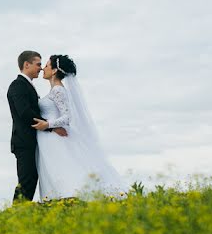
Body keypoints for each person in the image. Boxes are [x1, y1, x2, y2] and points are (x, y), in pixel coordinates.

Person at [33, 54, 124, 200]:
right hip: (50, 138)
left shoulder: (58, 90)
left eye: (47, 65)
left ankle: (71, 198)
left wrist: (47, 124)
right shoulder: (54, 90)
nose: (43, 68)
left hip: (55, 138)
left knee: (63, 170)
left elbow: (67, 117)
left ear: (55, 70)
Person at [7, 51, 67, 202]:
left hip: (33, 141)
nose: (41, 68)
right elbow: (25, 113)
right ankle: (17, 215)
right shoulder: (18, 85)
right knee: (27, 179)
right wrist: (51, 127)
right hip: (24, 141)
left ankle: (21, 215)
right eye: (38, 64)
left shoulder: (28, 85)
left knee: (31, 178)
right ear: (26, 65)